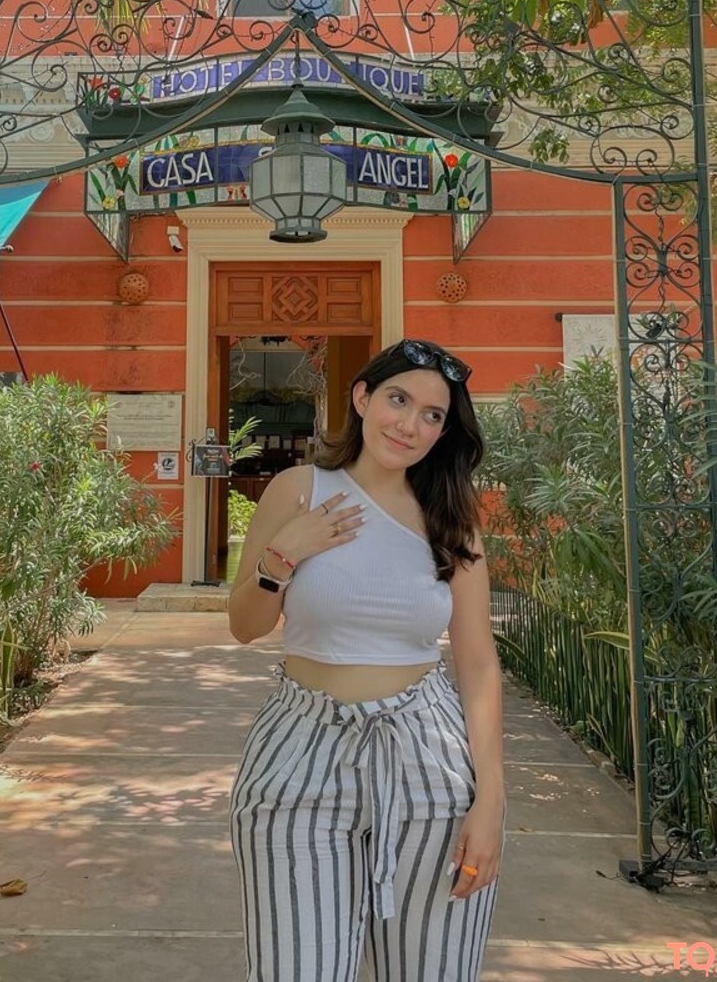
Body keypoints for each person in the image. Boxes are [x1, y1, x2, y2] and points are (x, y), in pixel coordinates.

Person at [227, 338, 504, 982]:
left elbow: (477, 663)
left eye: (432, 415)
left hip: (429, 763)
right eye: (398, 400)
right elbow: (245, 626)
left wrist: (491, 799)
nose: (409, 425)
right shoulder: (299, 491)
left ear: (443, 432)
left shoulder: (450, 519)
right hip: (300, 754)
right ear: (362, 398)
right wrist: (282, 556)